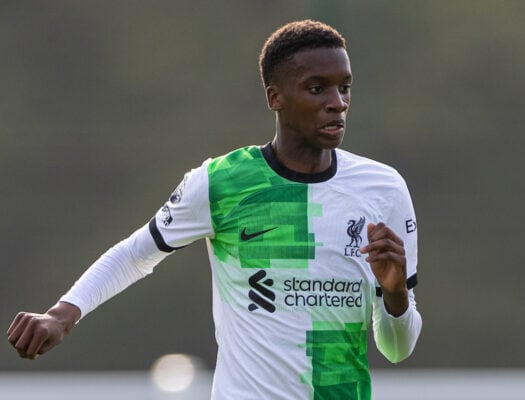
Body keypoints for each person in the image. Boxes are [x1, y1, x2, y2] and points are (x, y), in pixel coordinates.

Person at [7, 20, 422, 399]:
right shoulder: (221, 182)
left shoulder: (383, 190)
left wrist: (395, 293)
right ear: (274, 98)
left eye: (344, 88)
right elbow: (136, 254)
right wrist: (63, 315)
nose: (338, 102)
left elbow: (397, 348)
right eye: (318, 89)